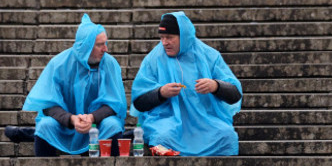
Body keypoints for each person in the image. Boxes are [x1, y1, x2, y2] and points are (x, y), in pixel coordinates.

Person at [130, 11, 242, 156]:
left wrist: (216, 86)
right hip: (166, 120)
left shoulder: (209, 56)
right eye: (162, 38)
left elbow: (234, 94)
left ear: (184, 36)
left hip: (206, 121)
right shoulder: (153, 59)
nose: (164, 43)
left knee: (227, 137)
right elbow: (139, 102)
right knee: (161, 138)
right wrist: (161, 93)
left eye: (169, 38)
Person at [22, 13, 127, 156]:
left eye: (105, 43)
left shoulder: (109, 64)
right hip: (64, 125)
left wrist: (91, 118)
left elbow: (115, 104)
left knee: (113, 125)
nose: (105, 49)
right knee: (45, 126)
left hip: (98, 124)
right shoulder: (58, 64)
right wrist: (71, 119)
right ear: (86, 46)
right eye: (100, 45)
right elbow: (47, 105)